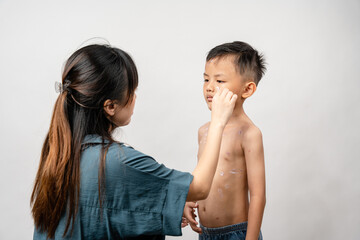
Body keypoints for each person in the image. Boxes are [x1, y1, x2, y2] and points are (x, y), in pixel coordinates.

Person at [30, 44, 237, 240]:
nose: (135, 97)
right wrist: (218, 121)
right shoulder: (115, 163)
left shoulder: (60, 151)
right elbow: (199, 187)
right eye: (132, 91)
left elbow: (110, 210)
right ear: (110, 106)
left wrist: (164, 200)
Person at [183, 41, 267, 240]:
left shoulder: (249, 133)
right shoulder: (204, 131)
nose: (209, 88)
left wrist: (251, 238)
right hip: (206, 233)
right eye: (206, 80)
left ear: (247, 90)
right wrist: (189, 199)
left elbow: (258, 196)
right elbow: (202, 175)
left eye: (219, 81)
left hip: (236, 233)